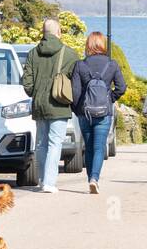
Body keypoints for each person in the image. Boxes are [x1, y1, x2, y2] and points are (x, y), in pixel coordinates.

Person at [21, 18, 78, 194]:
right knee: (55, 144)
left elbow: (27, 83)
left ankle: (41, 179)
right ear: (59, 32)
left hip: (39, 104)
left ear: (43, 33)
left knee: (41, 144)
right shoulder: (69, 54)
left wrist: (35, 93)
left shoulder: (32, 53)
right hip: (59, 105)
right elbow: (76, 83)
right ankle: (49, 182)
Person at [71, 32, 126, 193]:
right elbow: (122, 87)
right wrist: (110, 99)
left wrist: (76, 108)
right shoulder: (112, 64)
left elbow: (75, 91)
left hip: (84, 112)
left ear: (88, 45)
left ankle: (90, 179)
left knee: (88, 147)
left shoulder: (80, 65)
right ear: (103, 45)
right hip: (104, 112)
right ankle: (95, 178)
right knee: (99, 147)